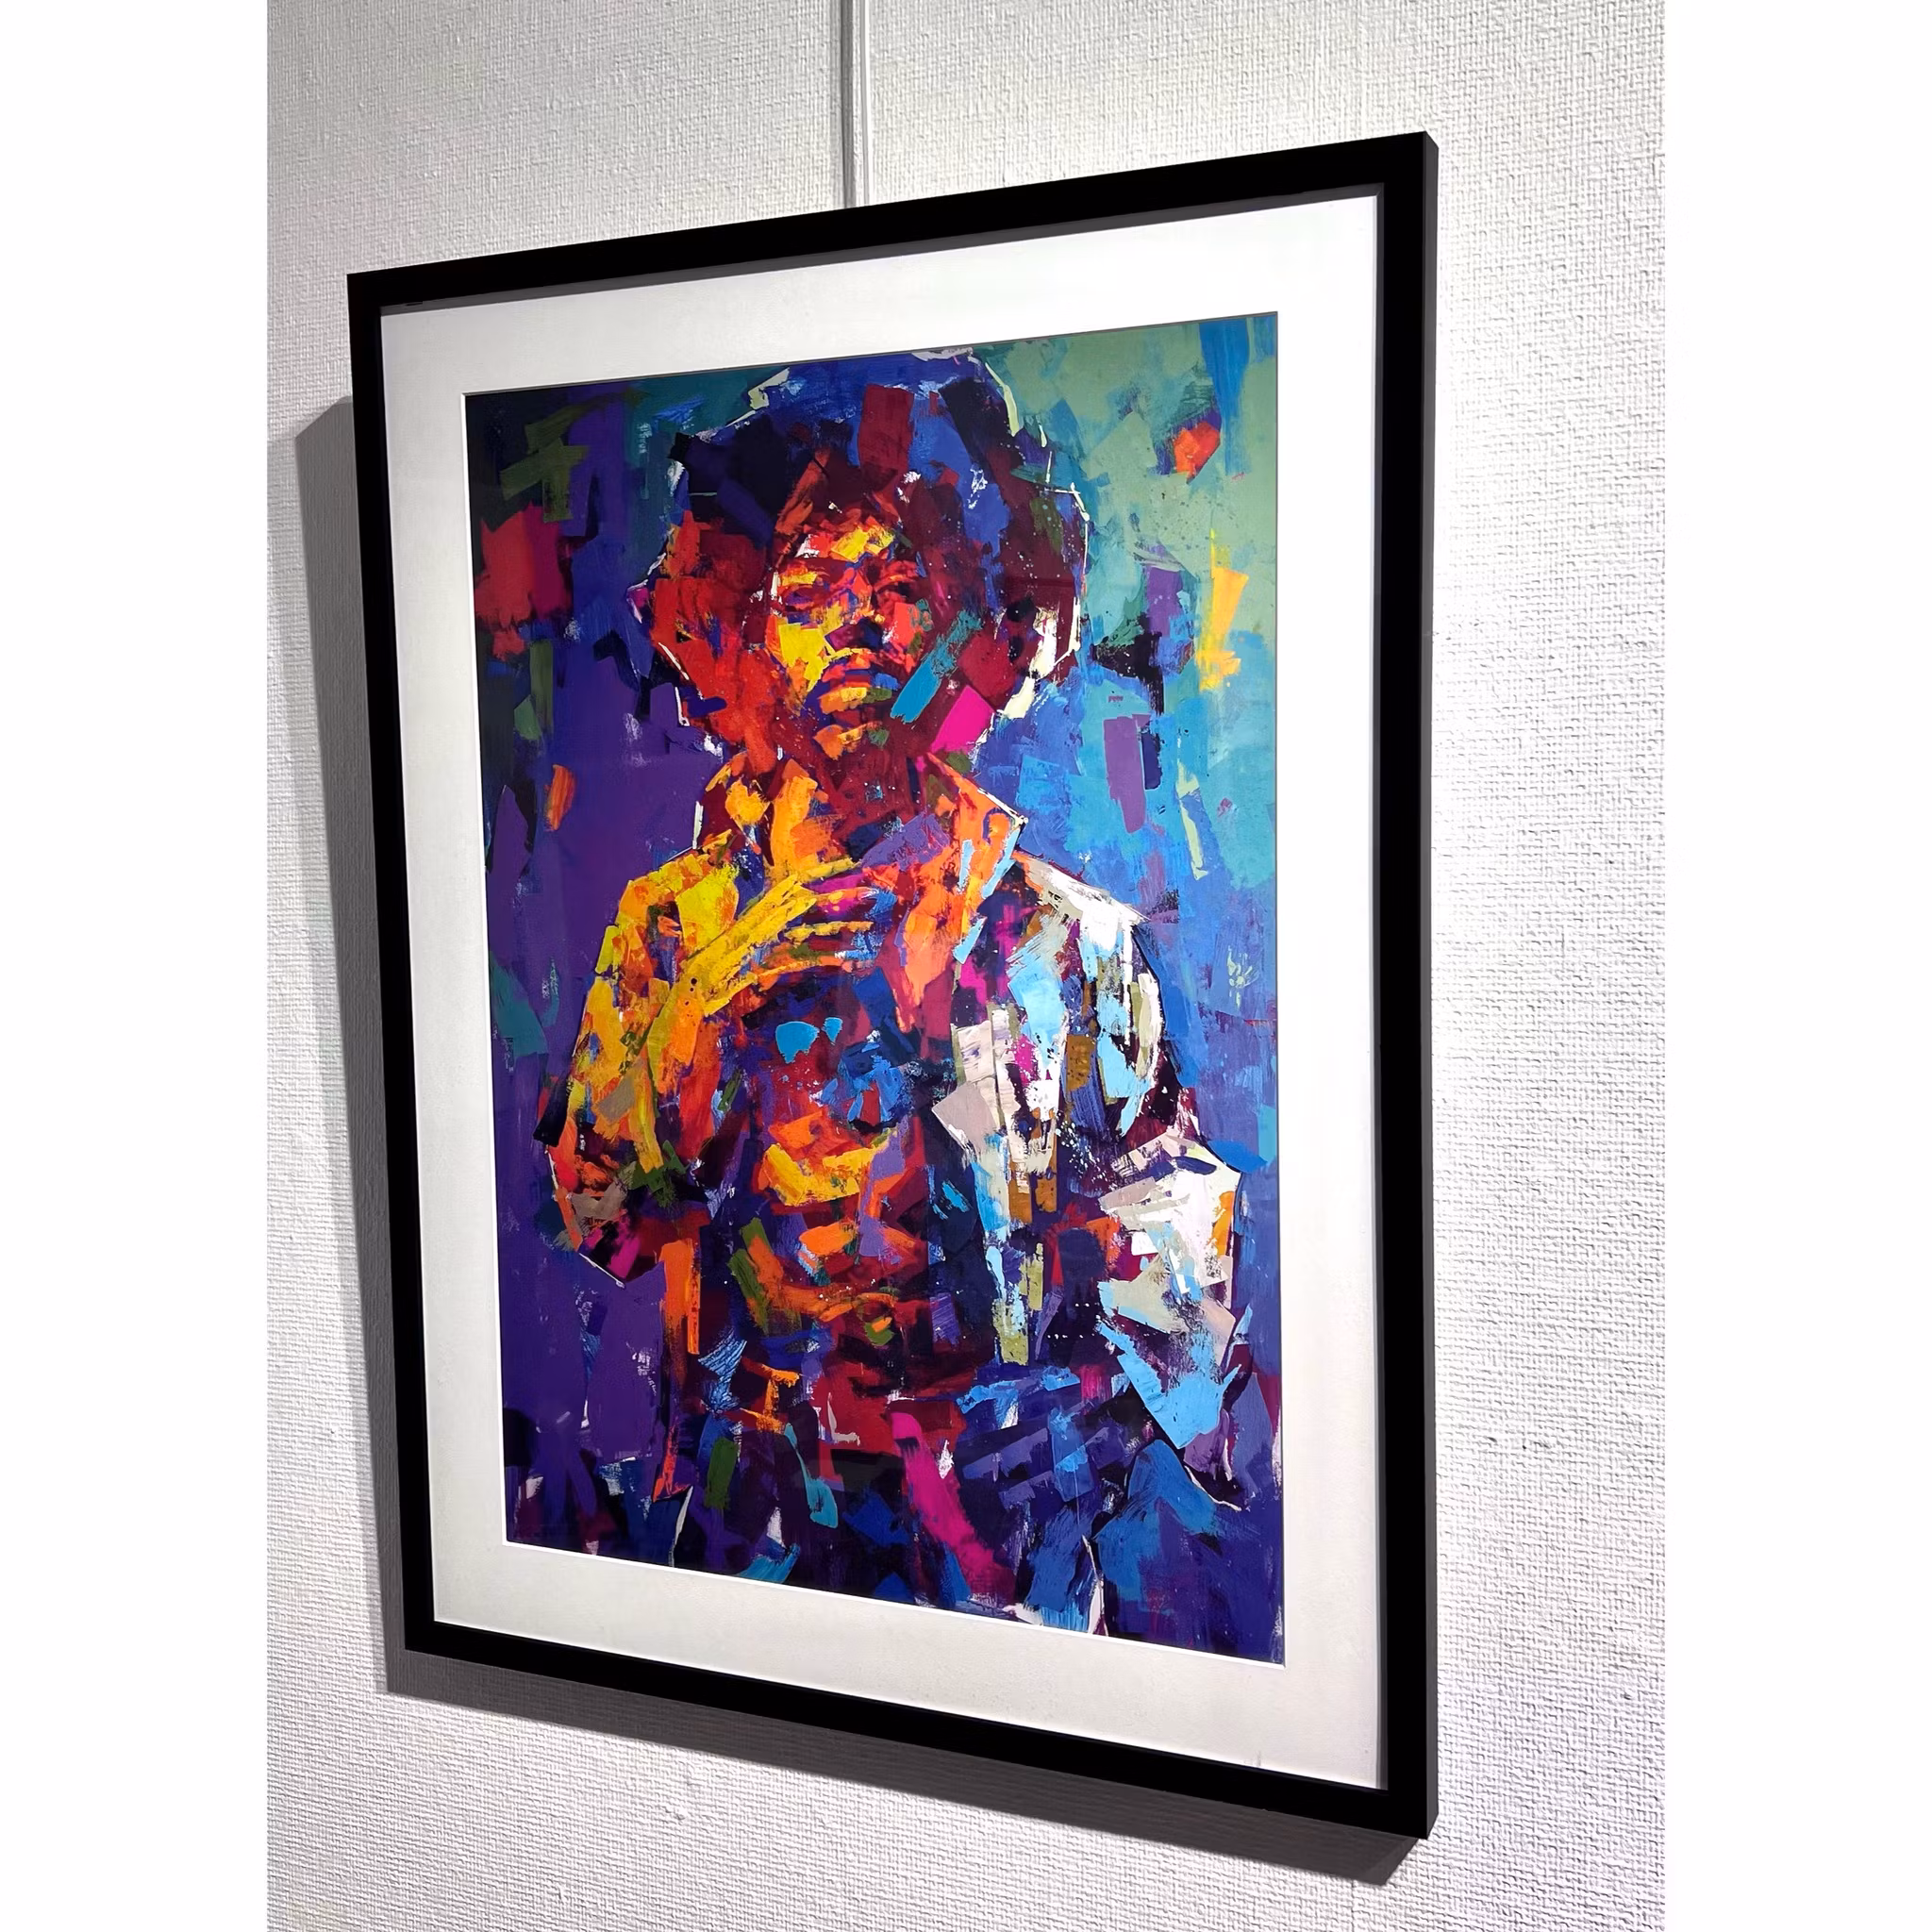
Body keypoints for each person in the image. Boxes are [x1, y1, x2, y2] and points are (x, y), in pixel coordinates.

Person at [541, 353, 1274, 1652]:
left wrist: (1081, 1402)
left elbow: (1176, 1244)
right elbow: (598, 1216)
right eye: (810, 589)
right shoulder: (673, 928)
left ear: (979, 619)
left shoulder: (1066, 938)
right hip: (745, 1528)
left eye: (897, 585)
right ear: (747, 627)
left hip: (1001, 1554)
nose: (857, 627)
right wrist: (708, 1007)